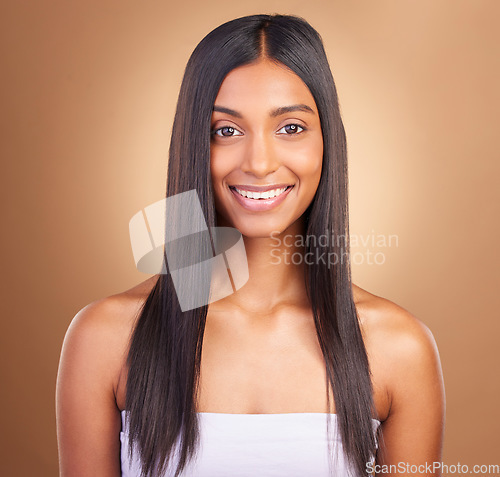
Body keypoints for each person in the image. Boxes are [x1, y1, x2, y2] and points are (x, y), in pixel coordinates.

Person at [56, 13, 445, 477]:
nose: (259, 163)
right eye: (226, 130)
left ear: (327, 142)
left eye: (291, 128)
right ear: (192, 144)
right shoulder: (105, 339)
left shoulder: (398, 348)